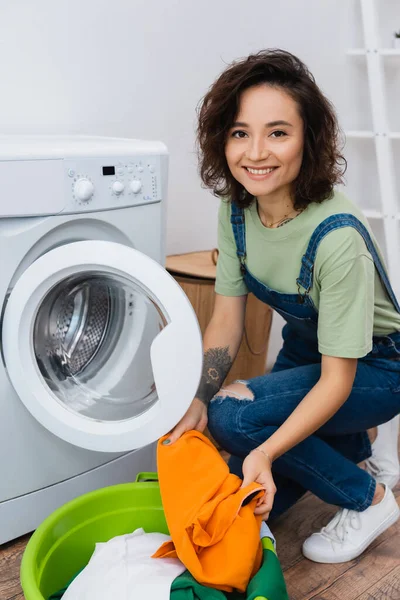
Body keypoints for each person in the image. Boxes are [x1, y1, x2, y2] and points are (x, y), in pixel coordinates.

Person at [165, 49, 400, 564]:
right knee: (238, 499)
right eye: (240, 132)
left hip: (376, 367)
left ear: (307, 140)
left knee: (237, 421)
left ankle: (371, 501)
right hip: (308, 352)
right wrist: (198, 396)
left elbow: (337, 379)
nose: (256, 152)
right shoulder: (238, 210)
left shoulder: (337, 237)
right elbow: (227, 318)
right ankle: (354, 449)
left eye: (277, 132)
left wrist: (265, 449)